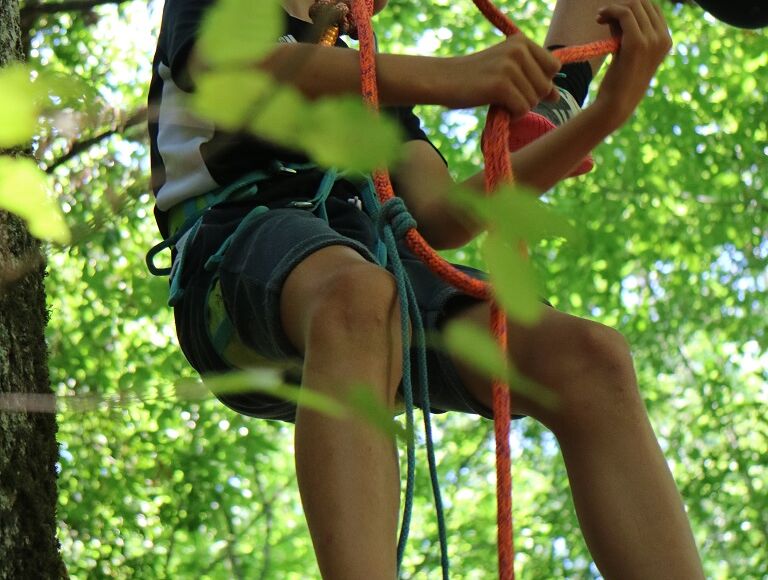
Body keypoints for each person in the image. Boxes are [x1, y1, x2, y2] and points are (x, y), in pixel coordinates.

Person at [147, 0, 705, 577]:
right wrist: (452, 76)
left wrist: (606, 113)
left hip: (371, 285)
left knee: (591, 359)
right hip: (234, 256)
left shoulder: (366, 73)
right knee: (360, 295)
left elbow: (443, 216)